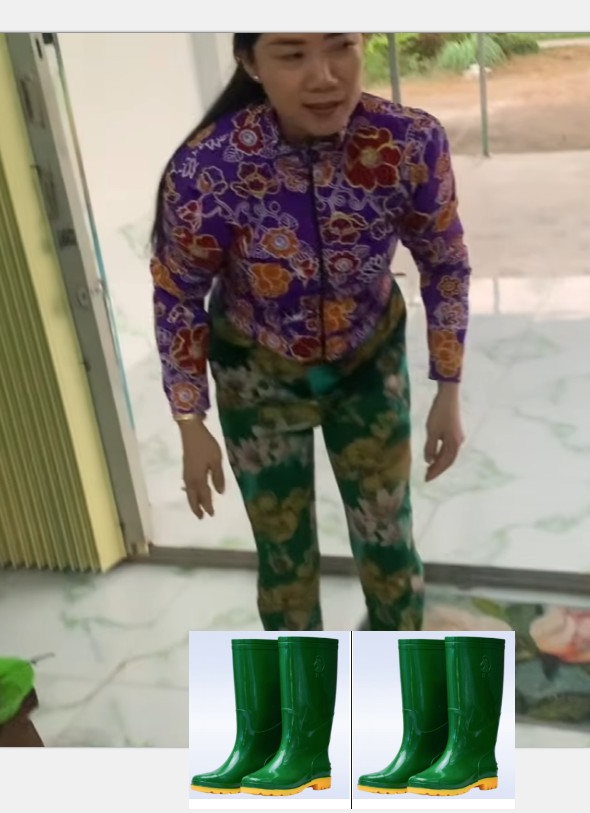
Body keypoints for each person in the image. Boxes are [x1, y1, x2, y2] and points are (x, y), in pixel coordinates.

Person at [149, 33, 471, 632]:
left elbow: (444, 262)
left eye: (340, 46)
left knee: (388, 537)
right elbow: (178, 294)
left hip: (369, 363)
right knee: (283, 558)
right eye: (292, 54)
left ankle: (397, 671)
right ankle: (302, 685)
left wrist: (448, 387)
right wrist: (189, 420)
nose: (324, 76)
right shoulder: (209, 165)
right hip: (257, 376)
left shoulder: (408, 141)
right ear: (250, 62)